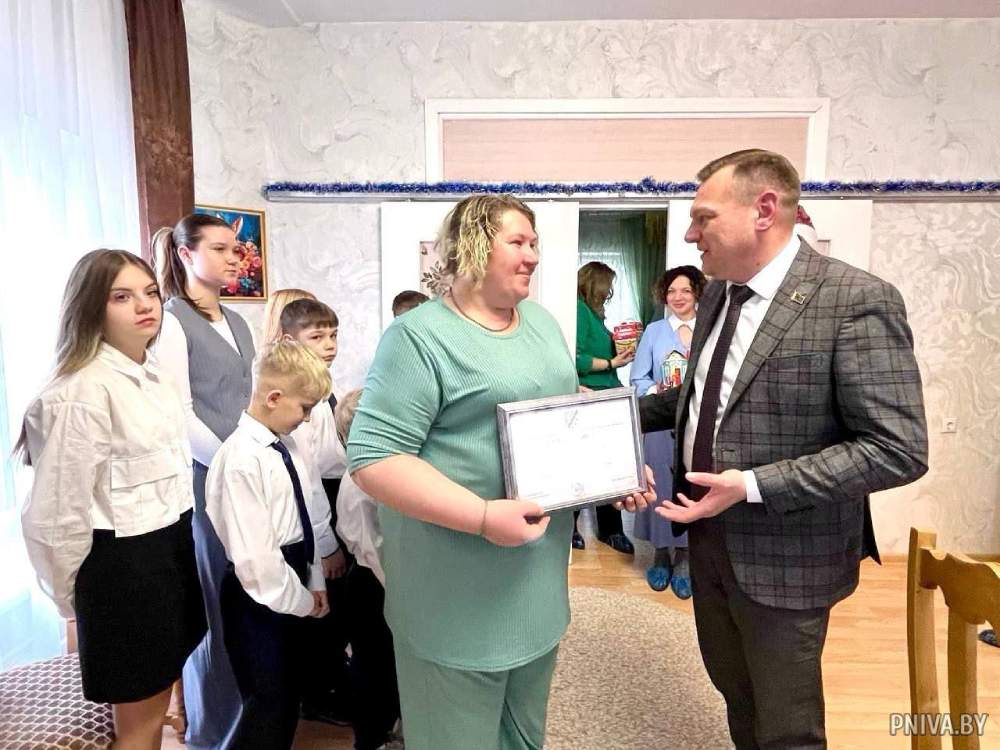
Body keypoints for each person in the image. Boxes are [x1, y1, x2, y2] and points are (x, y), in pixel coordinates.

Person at [639, 149, 928, 749]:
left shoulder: (854, 299)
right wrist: (594, 417)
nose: (691, 235)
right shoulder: (719, 295)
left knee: (788, 729)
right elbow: (700, 401)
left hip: (785, 557)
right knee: (738, 698)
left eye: (703, 218)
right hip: (707, 540)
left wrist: (750, 485)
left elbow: (897, 448)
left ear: (764, 210)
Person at [347, 194, 654, 750]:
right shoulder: (418, 337)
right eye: (517, 242)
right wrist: (483, 516)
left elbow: (563, 407)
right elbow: (374, 457)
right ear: (471, 247)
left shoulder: (541, 323)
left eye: (534, 242)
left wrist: (617, 468)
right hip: (455, 594)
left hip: (536, 583)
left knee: (523, 735)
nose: (533, 255)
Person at [18, 250, 206, 748]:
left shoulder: (154, 378)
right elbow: (55, 516)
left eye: (150, 292)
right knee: (140, 725)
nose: (145, 305)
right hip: (123, 570)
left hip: (168, 551)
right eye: (122, 296)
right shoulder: (80, 392)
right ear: (90, 307)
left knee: (153, 706)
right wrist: (74, 601)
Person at [153, 212, 257, 749]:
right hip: (207, 476)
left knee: (246, 596)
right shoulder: (172, 322)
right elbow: (180, 414)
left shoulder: (238, 321)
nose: (232, 258)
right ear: (185, 254)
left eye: (234, 249)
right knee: (214, 601)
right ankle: (213, 732)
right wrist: (230, 463)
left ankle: (252, 721)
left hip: (245, 472)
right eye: (218, 249)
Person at [206, 340, 331, 750]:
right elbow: (258, 561)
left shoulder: (284, 447)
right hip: (258, 597)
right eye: (305, 408)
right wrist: (300, 602)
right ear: (274, 397)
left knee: (287, 700)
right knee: (267, 706)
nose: (307, 418)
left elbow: (302, 521)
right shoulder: (242, 461)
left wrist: (314, 582)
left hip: (291, 577)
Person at [276, 296, 353, 725]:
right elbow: (309, 474)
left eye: (333, 335)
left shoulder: (322, 385)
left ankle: (332, 677)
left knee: (337, 603)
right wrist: (326, 543)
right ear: (291, 341)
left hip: (333, 494)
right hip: (319, 503)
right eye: (317, 336)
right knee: (325, 599)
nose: (329, 345)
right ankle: (319, 693)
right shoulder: (300, 398)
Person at [630, 265, 706, 597]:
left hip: (697, 425)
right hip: (660, 425)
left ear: (697, 293)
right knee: (660, 485)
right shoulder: (654, 331)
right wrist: (655, 393)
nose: (678, 297)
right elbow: (638, 378)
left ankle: (686, 557)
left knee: (692, 486)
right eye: (672, 291)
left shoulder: (710, 328)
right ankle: (661, 554)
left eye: (685, 290)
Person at [335, 389, 403, 750]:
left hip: (377, 579)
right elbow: (373, 550)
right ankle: (372, 739)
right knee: (375, 670)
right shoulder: (360, 483)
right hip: (372, 584)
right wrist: (402, 595)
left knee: (384, 667)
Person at [573, 261, 636, 554]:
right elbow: (576, 358)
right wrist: (612, 362)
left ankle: (611, 530)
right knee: (582, 464)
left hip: (608, 395)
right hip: (589, 396)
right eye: (607, 285)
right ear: (595, 284)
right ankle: (573, 529)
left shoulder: (595, 316)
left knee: (610, 466)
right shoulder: (578, 311)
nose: (609, 292)